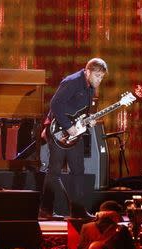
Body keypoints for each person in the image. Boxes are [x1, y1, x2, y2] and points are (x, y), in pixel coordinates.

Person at [39, 58, 108, 219]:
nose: (99, 80)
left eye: (102, 77)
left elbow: (81, 111)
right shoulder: (72, 82)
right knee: (54, 170)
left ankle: (78, 211)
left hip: (74, 132)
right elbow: (55, 104)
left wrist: (89, 120)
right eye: (97, 76)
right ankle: (45, 210)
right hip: (59, 130)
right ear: (88, 72)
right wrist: (68, 127)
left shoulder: (90, 88)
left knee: (78, 170)